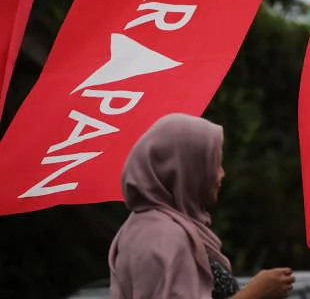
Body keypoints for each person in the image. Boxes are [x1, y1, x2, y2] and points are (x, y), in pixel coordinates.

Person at [108, 113, 295, 299]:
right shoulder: (163, 237)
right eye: (213, 163)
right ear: (186, 169)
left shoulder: (146, 229)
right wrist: (255, 293)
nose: (221, 174)